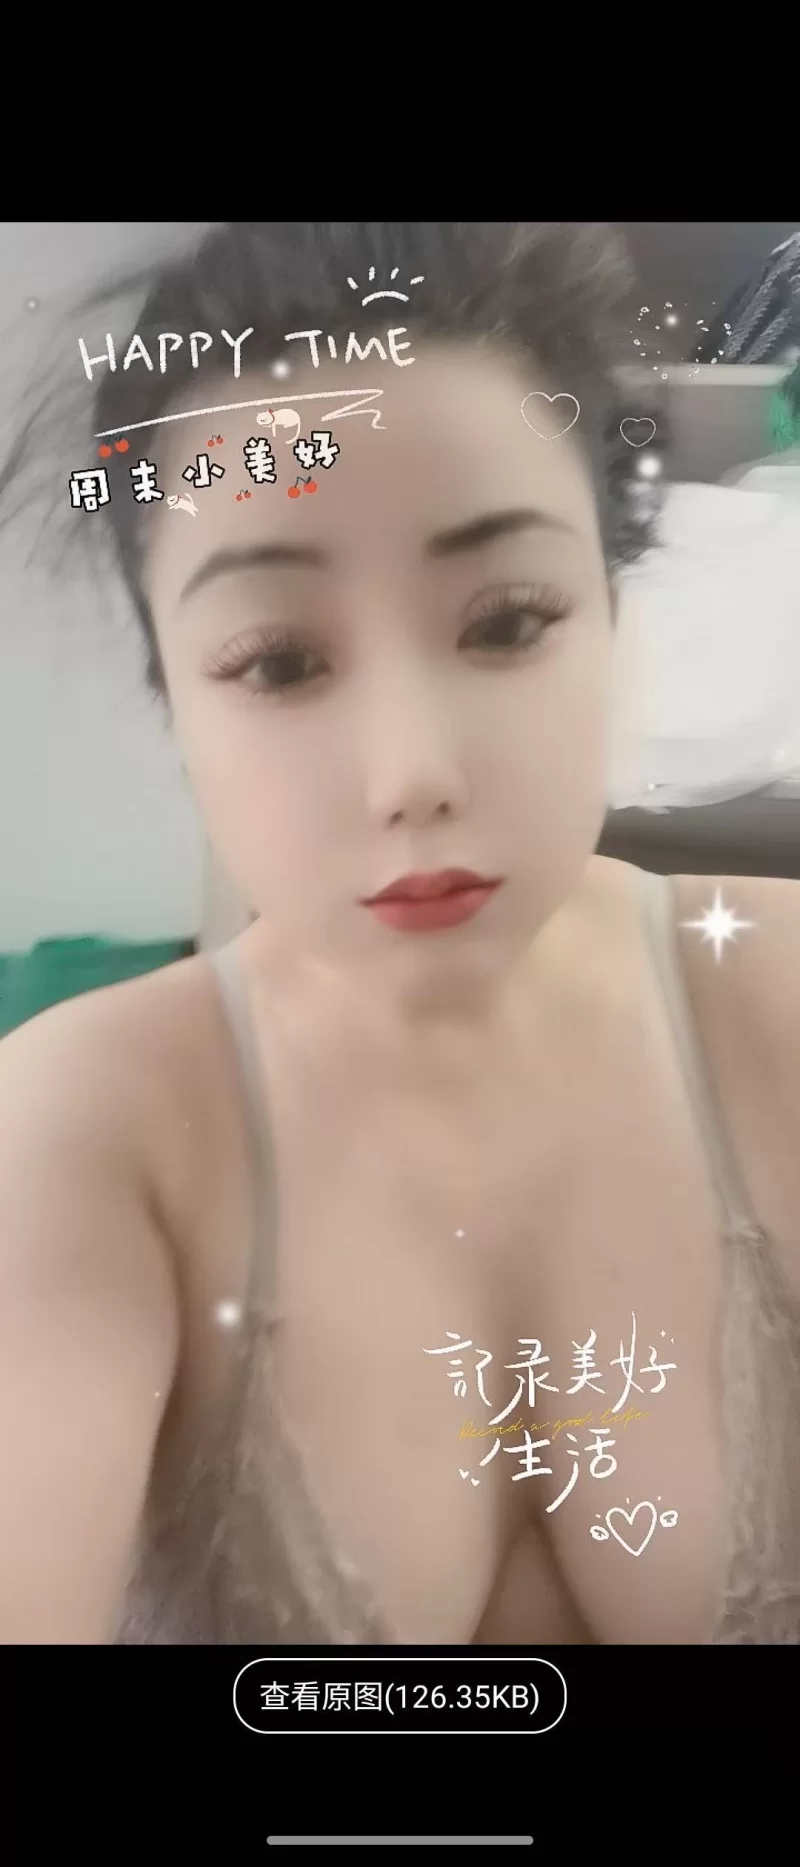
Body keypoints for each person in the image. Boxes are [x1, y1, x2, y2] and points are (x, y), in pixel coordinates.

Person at [1, 222, 799, 1647]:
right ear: (174, 702)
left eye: (506, 622)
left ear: (614, 616)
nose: (410, 771)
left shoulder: (780, 998)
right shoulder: (80, 1136)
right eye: (279, 659)